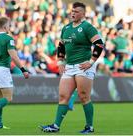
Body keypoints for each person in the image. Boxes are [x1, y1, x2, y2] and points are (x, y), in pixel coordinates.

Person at [40, 2, 104, 134]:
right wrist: (60, 62)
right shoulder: (66, 28)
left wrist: (91, 62)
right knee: (63, 96)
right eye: (72, 11)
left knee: (84, 96)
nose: (73, 13)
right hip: (69, 66)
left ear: (83, 14)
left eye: (76, 11)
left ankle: (89, 127)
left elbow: (99, 44)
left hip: (83, 66)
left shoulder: (87, 27)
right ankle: (56, 126)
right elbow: (61, 46)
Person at [0, 16, 29, 129]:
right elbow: (14, 56)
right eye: (9, 25)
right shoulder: (8, 38)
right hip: (2, 69)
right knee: (8, 98)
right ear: (4, 26)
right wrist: (23, 69)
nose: (10, 27)